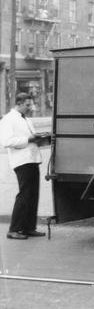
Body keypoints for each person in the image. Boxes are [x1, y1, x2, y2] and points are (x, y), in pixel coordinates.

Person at [0, 93, 49, 240]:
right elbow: (7, 141)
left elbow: (31, 139)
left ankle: (28, 227)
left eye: (31, 104)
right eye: (27, 105)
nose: (30, 108)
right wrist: (29, 139)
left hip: (32, 159)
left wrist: (43, 139)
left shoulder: (26, 119)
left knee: (33, 194)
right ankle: (14, 229)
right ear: (19, 103)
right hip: (21, 161)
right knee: (24, 194)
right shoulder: (8, 120)